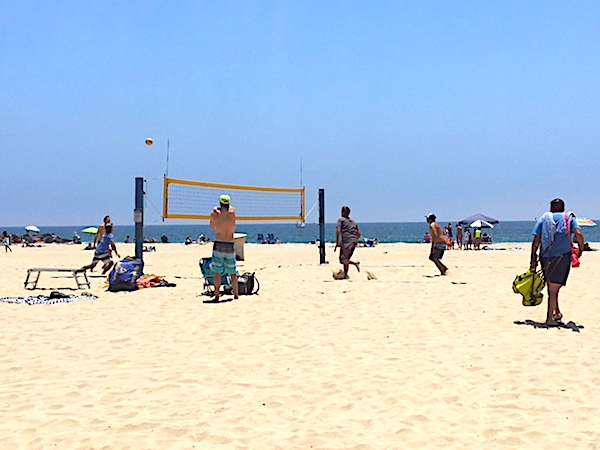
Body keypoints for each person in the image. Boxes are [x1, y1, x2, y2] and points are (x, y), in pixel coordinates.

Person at [530, 198, 584, 326]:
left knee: (552, 286)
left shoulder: (544, 218)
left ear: (551, 208)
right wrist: (580, 249)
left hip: (546, 256)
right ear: (563, 208)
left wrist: (532, 257)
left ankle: (556, 312)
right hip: (562, 256)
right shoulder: (569, 218)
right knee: (554, 288)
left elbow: (536, 240)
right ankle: (550, 318)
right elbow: (579, 233)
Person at [209, 194, 239, 301]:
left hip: (219, 242)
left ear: (220, 203)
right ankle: (236, 295)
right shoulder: (233, 213)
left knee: (217, 272)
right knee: (232, 272)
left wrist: (214, 213)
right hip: (230, 243)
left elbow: (212, 226)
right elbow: (229, 209)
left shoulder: (216, 214)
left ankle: (217, 295)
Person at [334, 206, 361, 278]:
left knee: (342, 260)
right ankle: (345, 275)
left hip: (347, 242)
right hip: (354, 241)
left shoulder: (341, 220)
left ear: (342, 212)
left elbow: (338, 231)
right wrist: (354, 240)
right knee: (346, 259)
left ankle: (355, 263)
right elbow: (359, 234)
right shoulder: (353, 222)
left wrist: (337, 242)